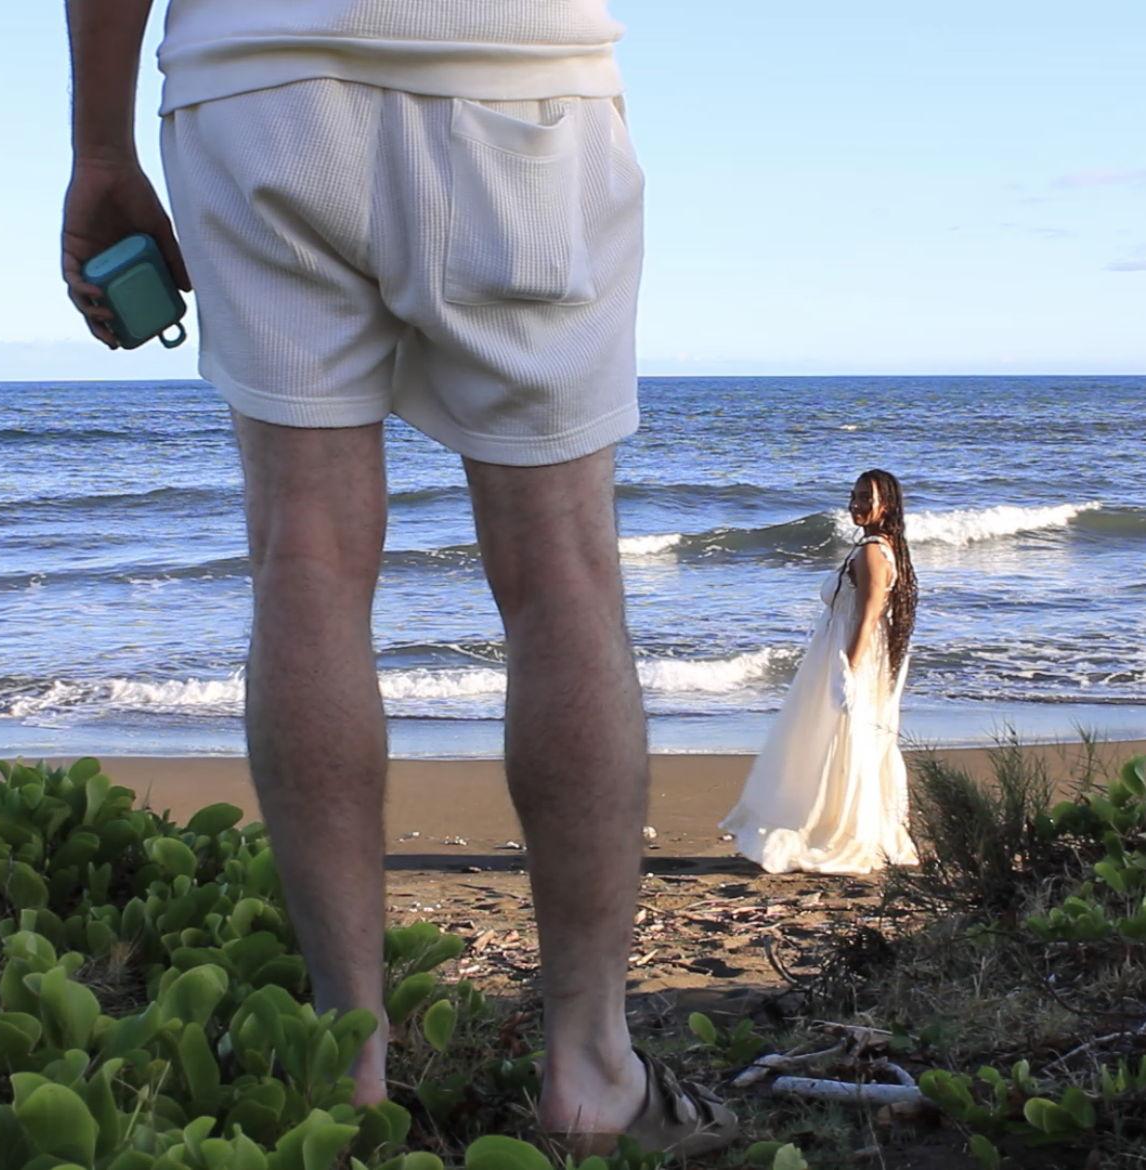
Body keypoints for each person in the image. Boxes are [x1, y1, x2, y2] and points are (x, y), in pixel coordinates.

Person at [60, 0, 736, 1156]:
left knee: (305, 557)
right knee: (562, 572)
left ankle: (350, 1072)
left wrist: (100, 149)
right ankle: (591, 1075)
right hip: (515, 70)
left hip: (255, 84)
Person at [721, 469, 920, 874]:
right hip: (846, 652)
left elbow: (869, 617)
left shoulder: (872, 552)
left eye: (866, 497)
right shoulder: (880, 548)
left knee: (840, 738)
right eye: (854, 495)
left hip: (851, 656)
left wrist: (849, 669)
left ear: (887, 506)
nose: (856, 504)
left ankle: (840, 829)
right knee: (836, 738)